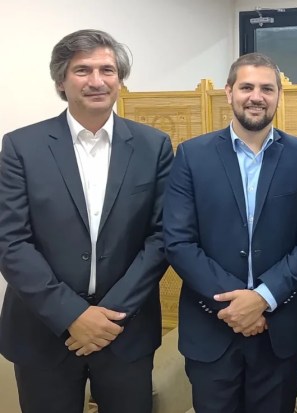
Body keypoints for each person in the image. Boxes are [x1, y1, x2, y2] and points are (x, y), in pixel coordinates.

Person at [0, 29, 173, 413]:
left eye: (107, 70)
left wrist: (110, 316)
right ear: (61, 81)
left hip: (125, 330)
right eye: (82, 70)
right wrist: (72, 314)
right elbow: (11, 241)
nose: (97, 81)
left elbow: (162, 236)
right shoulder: (21, 147)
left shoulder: (154, 145)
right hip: (44, 330)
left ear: (120, 80)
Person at [163, 53, 297, 413]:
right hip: (211, 327)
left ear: (279, 95)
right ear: (229, 92)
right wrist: (236, 305)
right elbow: (178, 241)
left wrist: (262, 298)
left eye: (267, 88)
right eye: (247, 87)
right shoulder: (192, 156)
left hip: (279, 329)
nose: (257, 96)